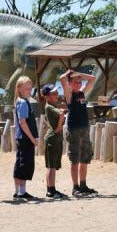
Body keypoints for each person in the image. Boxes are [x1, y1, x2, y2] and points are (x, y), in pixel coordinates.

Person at [60, 69, 97, 197]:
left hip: (84, 128)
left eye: (80, 82)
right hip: (73, 129)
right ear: (70, 83)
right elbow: (62, 79)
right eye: (75, 82)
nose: (78, 84)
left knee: (84, 158)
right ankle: (75, 187)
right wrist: (69, 73)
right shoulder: (69, 95)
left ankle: (83, 185)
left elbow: (92, 78)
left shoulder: (82, 93)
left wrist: (80, 75)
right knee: (74, 159)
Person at [13, 76, 39, 200]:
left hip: (22, 137)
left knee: (21, 163)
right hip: (24, 138)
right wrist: (32, 138)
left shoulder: (22, 101)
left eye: (30, 88)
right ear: (19, 89)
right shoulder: (22, 102)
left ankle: (19, 190)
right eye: (26, 88)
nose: (29, 90)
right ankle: (20, 192)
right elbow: (23, 122)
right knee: (24, 164)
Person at [41, 83, 67, 199]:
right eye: (54, 94)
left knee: (52, 166)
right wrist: (58, 127)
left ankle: (52, 189)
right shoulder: (49, 107)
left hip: (55, 138)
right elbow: (61, 114)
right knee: (51, 167)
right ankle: (50, 190)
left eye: (57, 93)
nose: (57, 95)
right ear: (47, 96)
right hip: (52, 138)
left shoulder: (52, 105)